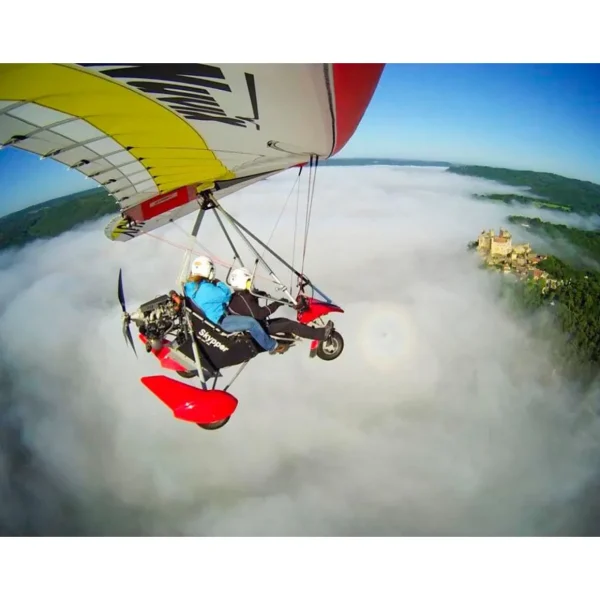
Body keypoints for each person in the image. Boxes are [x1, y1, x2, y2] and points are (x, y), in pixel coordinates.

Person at [183, 256, 288, 355]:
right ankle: (272, 346)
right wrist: (218, 282)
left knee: (247, 316)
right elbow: (226, 294)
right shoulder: (205, 288)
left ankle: (269, 338)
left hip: (214, 319)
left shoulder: (190, 288)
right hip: (222, 321)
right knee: (252, 322)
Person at [227, 267, 334, 342]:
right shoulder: (243, 300)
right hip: (258, 330)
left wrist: (259, 294)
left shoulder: (238, 296)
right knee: (291, 325)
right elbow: (259, 314)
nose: (251, 283)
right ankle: (321, 335)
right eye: (249, 281)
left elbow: (250, 299)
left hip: (257, 326)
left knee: (284, 321)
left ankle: (309, 332)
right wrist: (277, 303)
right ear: (242, 282)